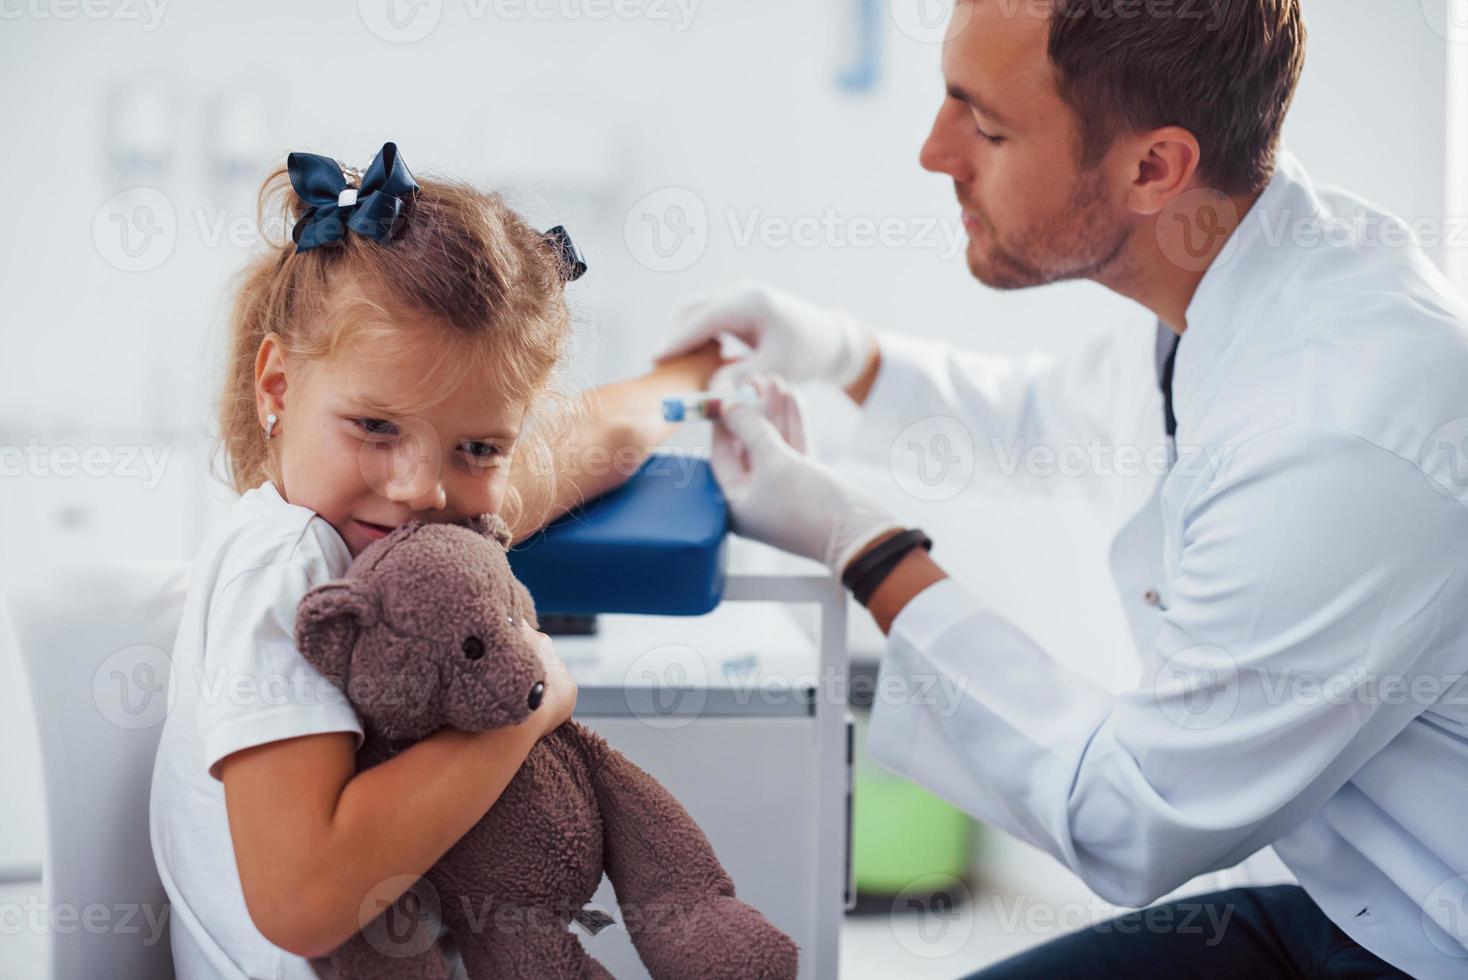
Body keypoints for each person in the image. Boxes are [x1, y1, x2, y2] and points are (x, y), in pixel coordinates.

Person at [657, 2, 1468, 976]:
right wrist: (841, 350)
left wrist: (859, 546)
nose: (932, 151)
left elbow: (1127, 816)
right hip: (1352, 901)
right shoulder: (1226, 273)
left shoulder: (1343, 427)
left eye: (984, 125)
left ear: (1151, 168)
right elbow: (1042, 416)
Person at [149, 142, 723, 978]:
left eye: (480, 446)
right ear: (276, 388)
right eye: (375, 427)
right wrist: (532, 702)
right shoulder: (283, 567)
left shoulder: (410, 528)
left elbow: (592, 441)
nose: (421, 487)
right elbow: (304, 899)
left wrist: (700, 379)